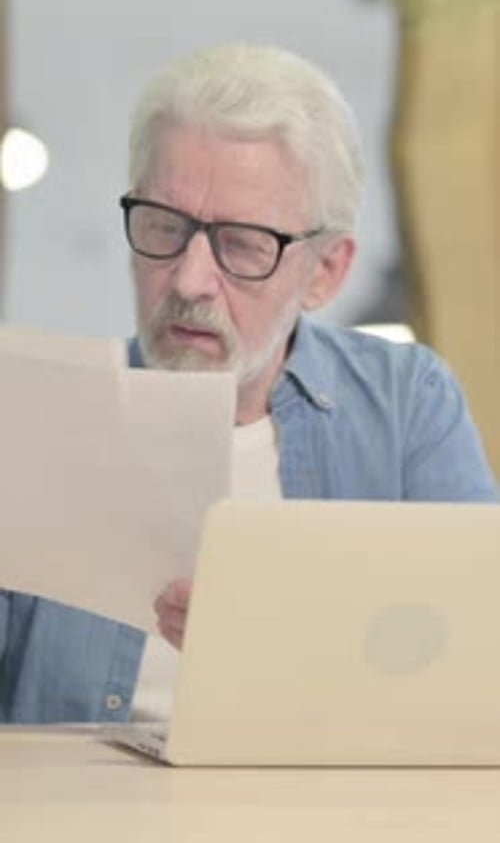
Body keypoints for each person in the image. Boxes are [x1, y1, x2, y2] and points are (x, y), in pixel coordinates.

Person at [0, 44, 498, 724]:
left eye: (240, 244)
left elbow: (475, 670)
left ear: (326, 271)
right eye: (164, 227)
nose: (187, 280)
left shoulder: (406, 405)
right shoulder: (43, 418)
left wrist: (279, 643)